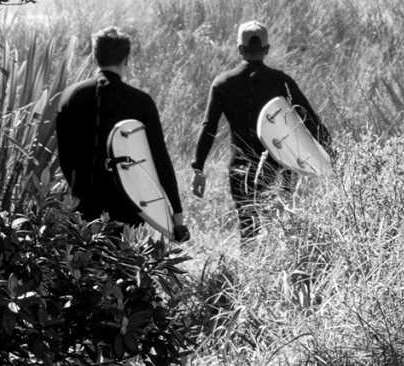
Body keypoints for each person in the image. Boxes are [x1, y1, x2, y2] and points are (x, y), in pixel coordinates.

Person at [191, 20, 330, 241]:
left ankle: (250, 266)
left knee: (247, 223)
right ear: (266, 50)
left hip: (240, 165)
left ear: (240, 49)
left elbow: (209, 127)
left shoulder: (223, 83)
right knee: (280, 223)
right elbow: (309, 119)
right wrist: (332, 155)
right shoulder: (280, 81)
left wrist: (198, 167)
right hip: (281, 164)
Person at [56, 27, 189, 242]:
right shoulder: (141, 102)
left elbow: (65, 158)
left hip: (83, 207)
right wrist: (176, 212)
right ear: (126, 59)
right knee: (123, 269)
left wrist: (78, 191)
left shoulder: (70, 97)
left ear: (94, 55)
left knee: (86, 270)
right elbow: (159, 158)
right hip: (128, 207)